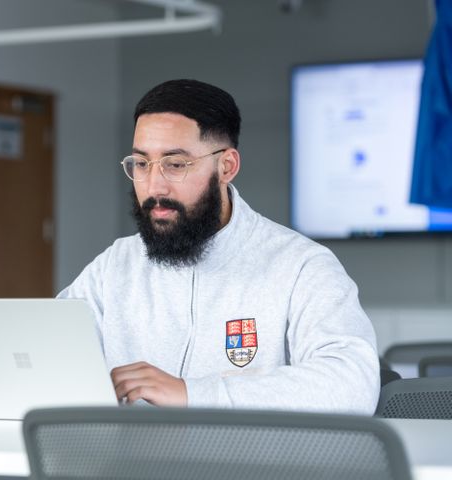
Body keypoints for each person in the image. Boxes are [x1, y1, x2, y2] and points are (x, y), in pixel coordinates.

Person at [57, 79, 380, 414]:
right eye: (141, 164)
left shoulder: (301, 266)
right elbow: (47, 354)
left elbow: (351, 384)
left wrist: (191, 394)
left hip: (247, 466)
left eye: (175, 164)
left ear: (226, 167)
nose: (154, 185)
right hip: (129, 463)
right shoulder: (114, 267)